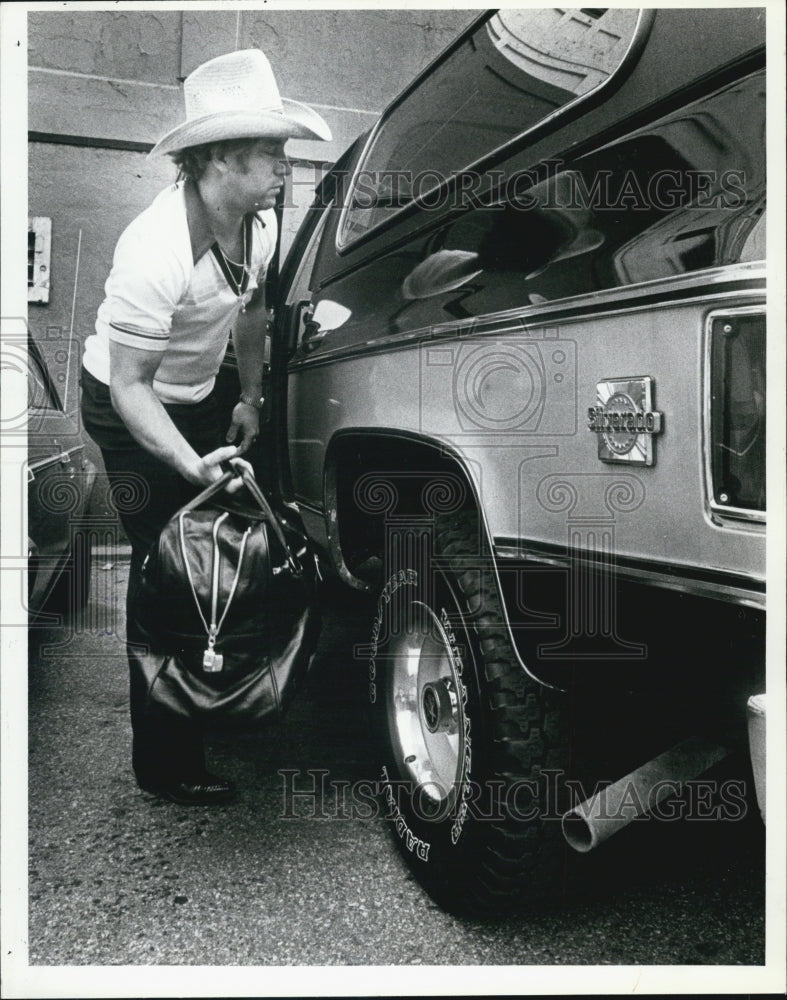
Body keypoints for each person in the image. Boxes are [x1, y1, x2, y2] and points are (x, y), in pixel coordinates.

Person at [80, 49, 331, 805]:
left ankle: (217, 681)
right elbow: (129, 387)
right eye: (273, 154)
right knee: (169, 564)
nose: (287, 169)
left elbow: (249, 309)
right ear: (221, 158)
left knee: (223, 555)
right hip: (130, 409)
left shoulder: (254, 223)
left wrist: (248, 395)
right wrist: (189, 465)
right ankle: (164, 758)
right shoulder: (152, 250)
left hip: (200, 391)